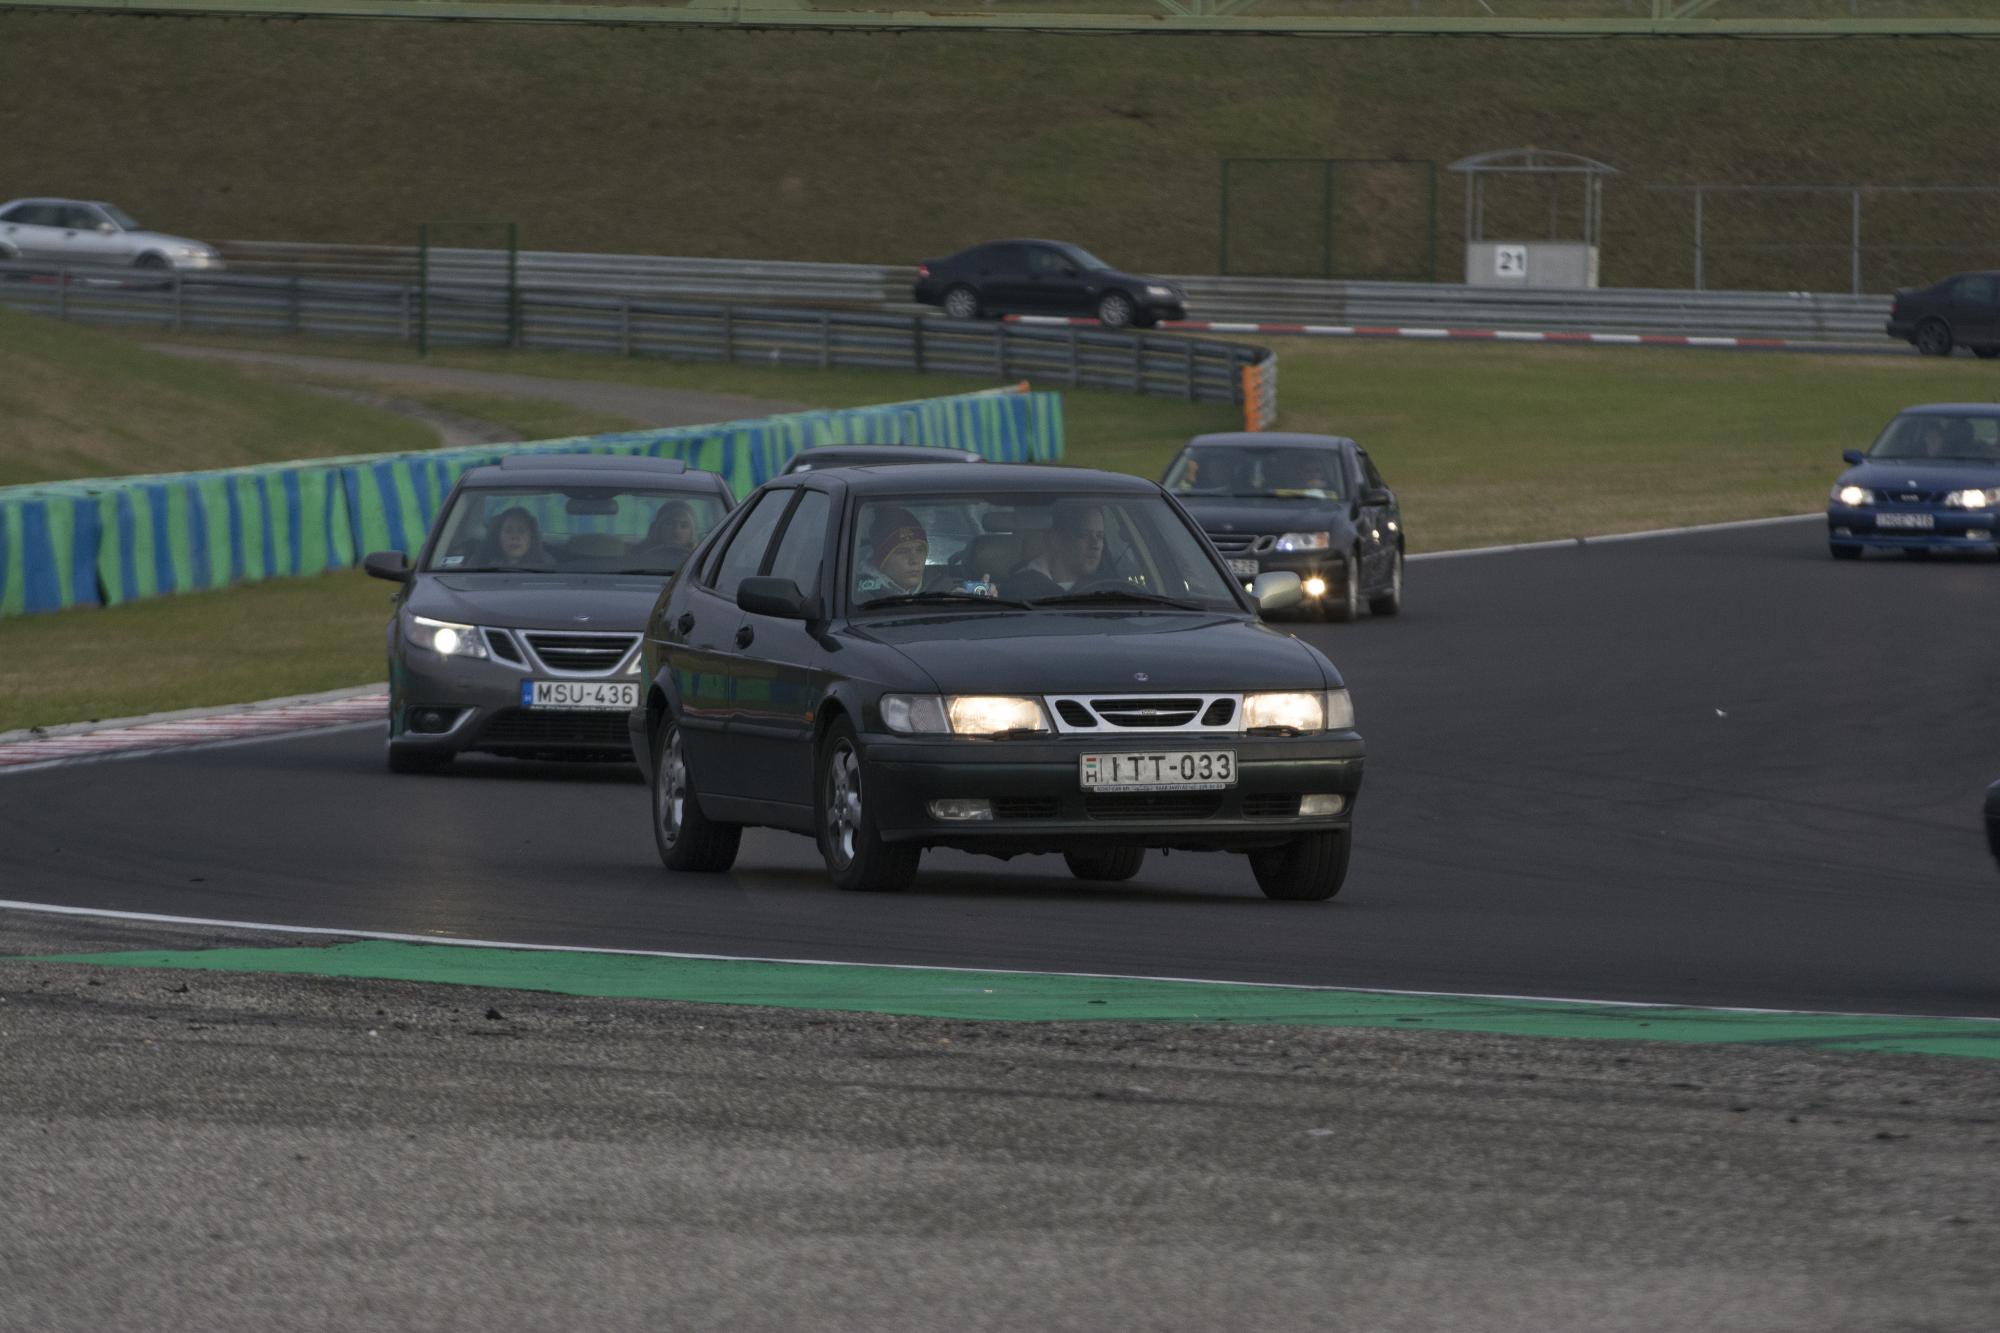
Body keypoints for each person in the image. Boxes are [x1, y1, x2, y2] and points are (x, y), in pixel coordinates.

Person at [1017, 501, 1109, 594]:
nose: (1095, 545)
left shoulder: (1106, 588)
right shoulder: (1021, 588)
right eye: (1084, 535)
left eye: (1100, 536)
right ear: (1056, 540)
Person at [855, 506, 930, 598]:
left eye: (920, 550)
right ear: (882, 559)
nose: (914, 560)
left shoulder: (942, 587)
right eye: (902, 552)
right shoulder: (860, 597)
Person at [479, 506, 549, 568]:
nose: (515, 537)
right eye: (508, 531)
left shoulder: (547, 569)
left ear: (531, 537)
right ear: (498, 537)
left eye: (521, 531)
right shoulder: (482, 567)